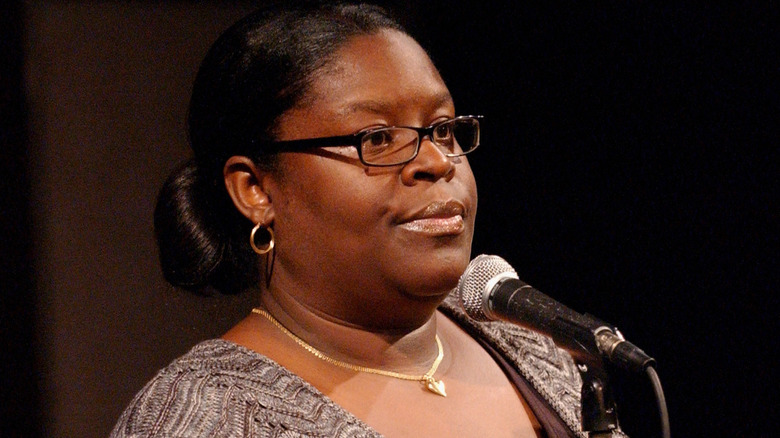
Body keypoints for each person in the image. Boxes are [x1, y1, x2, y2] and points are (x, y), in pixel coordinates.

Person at [111, 2, 628, 437]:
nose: (434, 161)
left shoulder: (529, 345)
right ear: (256, 189)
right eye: (376, 139)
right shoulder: (206, 418)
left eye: (443, 128)